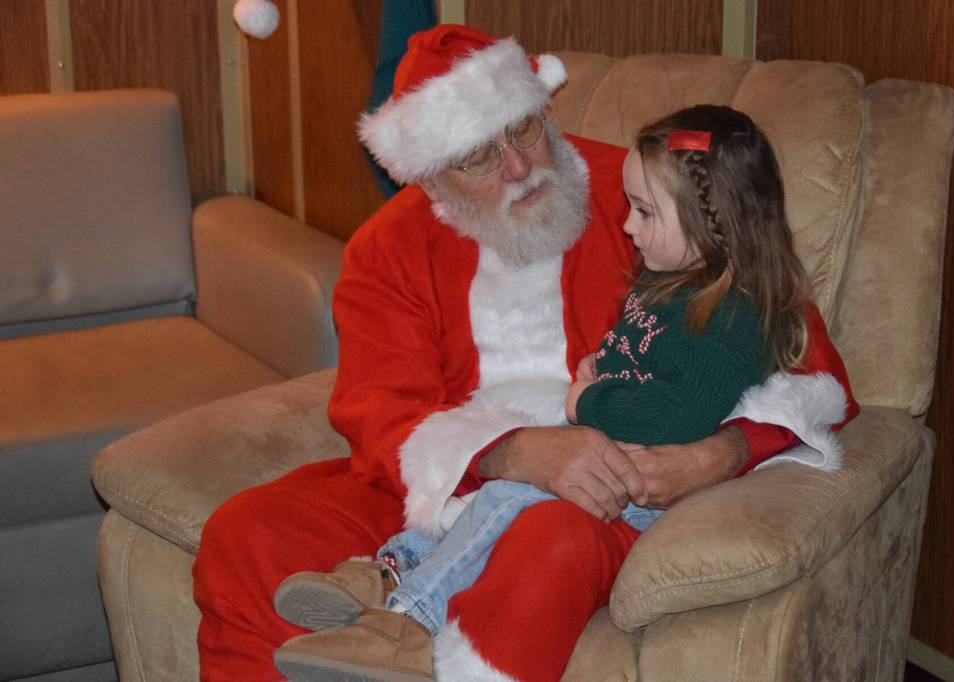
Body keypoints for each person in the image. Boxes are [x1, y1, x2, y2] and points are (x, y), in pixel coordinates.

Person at [192, 25, 858, 682]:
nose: (518, 166)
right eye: (479, 156)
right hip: (453, 481)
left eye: (525, 128)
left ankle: (420, 637)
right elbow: (378, 412)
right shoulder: (386, 251)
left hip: (601, 486)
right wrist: (509, 451)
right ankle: (385, 598)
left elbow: (800, 347)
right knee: (244, 534)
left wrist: (720, 453)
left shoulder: (644, 196)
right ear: (428, 179)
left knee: (549, 543)